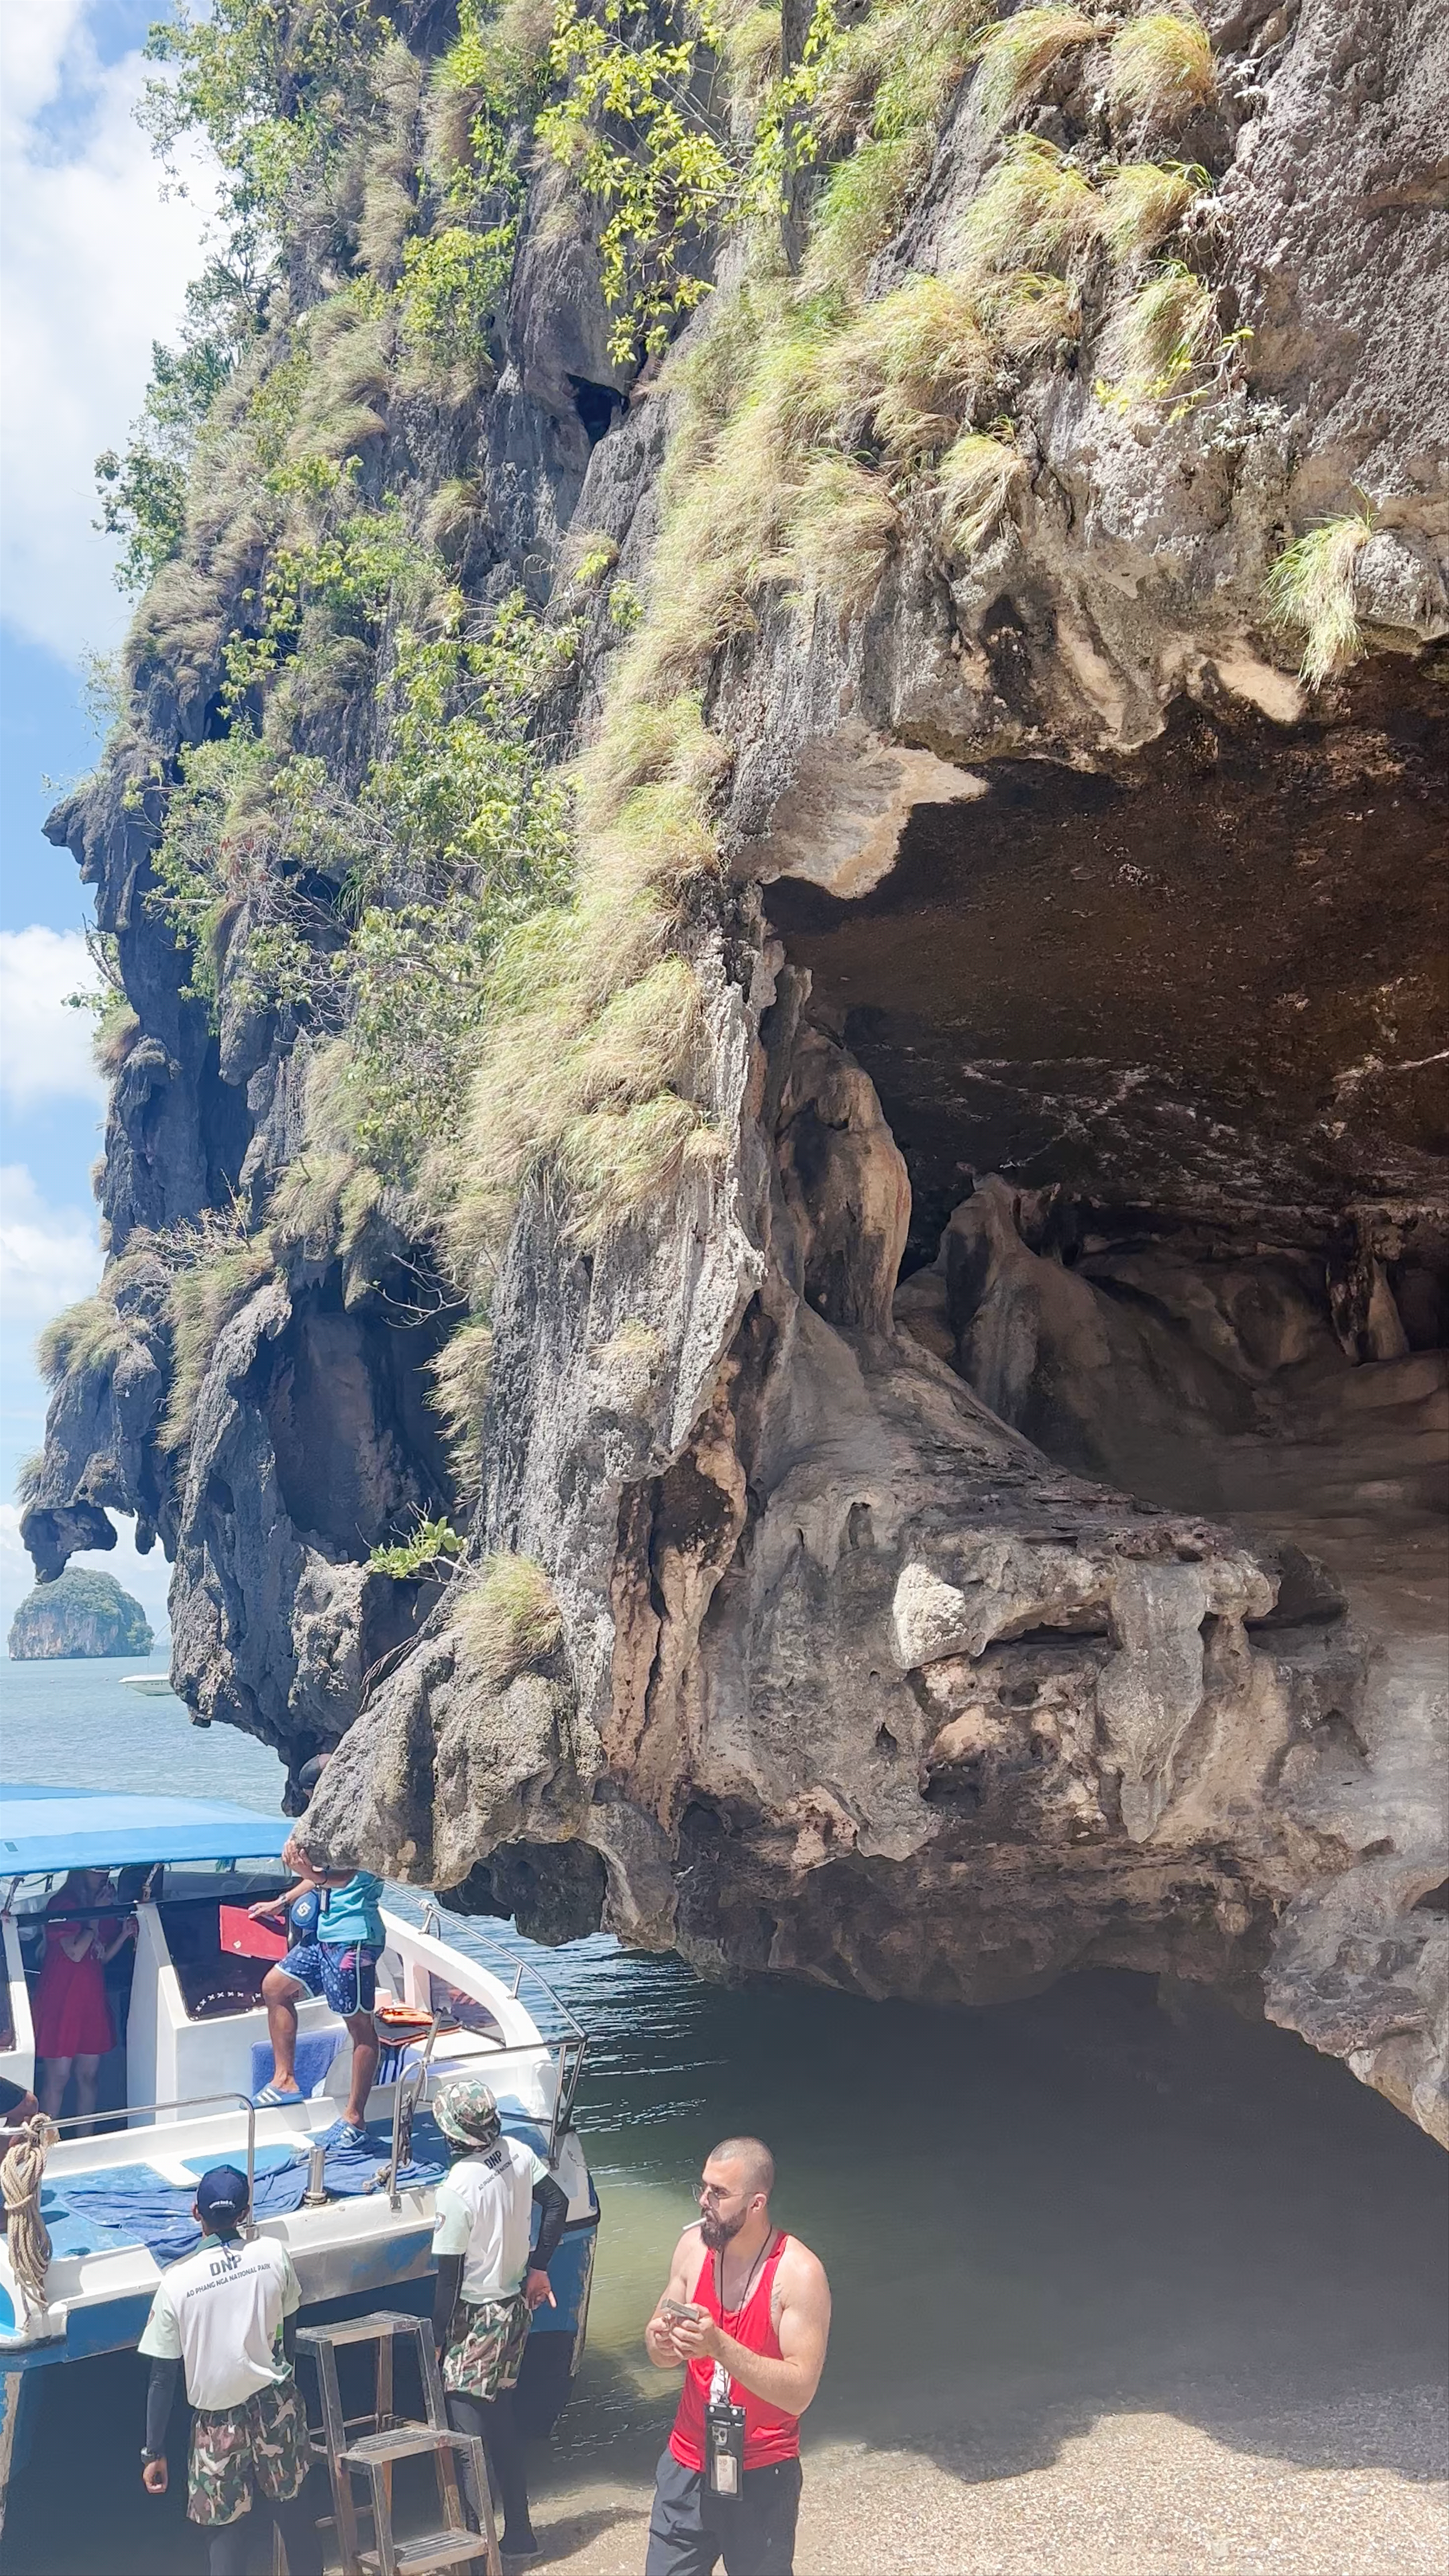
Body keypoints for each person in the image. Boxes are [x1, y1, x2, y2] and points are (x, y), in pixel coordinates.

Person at [644, 2137, 831, 2576]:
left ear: (757, 2203)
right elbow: (660, 2354)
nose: (705, 2200)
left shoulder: (798, 2274)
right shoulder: (692, 2247)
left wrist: (720, 2347)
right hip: (687, 2461)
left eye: (719, 2193)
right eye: (704, 2188)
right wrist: (660, 2342)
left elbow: (799, 2392)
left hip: (763, 2474)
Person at [138, 2162, 323, 2576]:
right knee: (296, 2520)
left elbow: (162, 2377)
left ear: (196, 2212)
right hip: (277, 2407)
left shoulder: (177, 2283)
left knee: (225, 2536)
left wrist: (154, 2451)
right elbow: (289, 2333)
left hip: (217, 2425)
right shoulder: (273, 2254)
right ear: (244, 2212)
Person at [429, 2076, 570, 2572]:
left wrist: (438, 2340)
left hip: (475, 2318)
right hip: (514, 2310)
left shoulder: (456, 2189)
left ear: (453, 2133)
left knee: (469, 2440)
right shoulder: (515, 2152)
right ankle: (521, 2533)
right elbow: (557, 2203)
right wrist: (540, 2264)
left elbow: (448, 2282)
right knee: (503, 2422)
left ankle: (477, 2555)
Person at [250, 1772, 383, 2141]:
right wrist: (281, 1900)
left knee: (360, 2027)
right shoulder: (333, 1822)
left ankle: (355, 2117)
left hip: (354, 1938)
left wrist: (306, 1870)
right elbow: (321, 1876)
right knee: (275, 1986)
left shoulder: (367, 1824)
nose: (313, 1800)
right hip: (325, 1935)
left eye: (313, 1792)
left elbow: (344, 1875)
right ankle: (285, 2079)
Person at [34, 1868, 136, 2132]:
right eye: (97, 1871)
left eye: (106, 1871)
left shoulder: (98, 1907)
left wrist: (124, 1934)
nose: (104, 1876)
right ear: (81, 1872)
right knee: (58, 2077)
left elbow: (98, 1958)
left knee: (89, 2076)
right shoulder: (64, 1904)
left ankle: (85, 2142)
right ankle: (44, 2147)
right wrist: (94, 1914)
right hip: (62, 2000)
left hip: (90, 1998)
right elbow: (76, 1951)